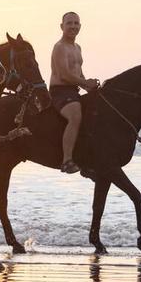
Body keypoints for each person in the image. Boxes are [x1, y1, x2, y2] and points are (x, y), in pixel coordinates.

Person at [49, 11, 100, 174]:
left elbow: (78, 72)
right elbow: (65, 75)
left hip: (74, 89)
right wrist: (85, 83)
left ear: (80, 26)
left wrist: (89, 87)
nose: (73, 26)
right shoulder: (59, 47)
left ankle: (87, 157)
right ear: (61, 26)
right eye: (69, 23)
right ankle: (67, 160)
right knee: (75, 115)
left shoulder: (77, 47)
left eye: (76, 23)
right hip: (60, 91)